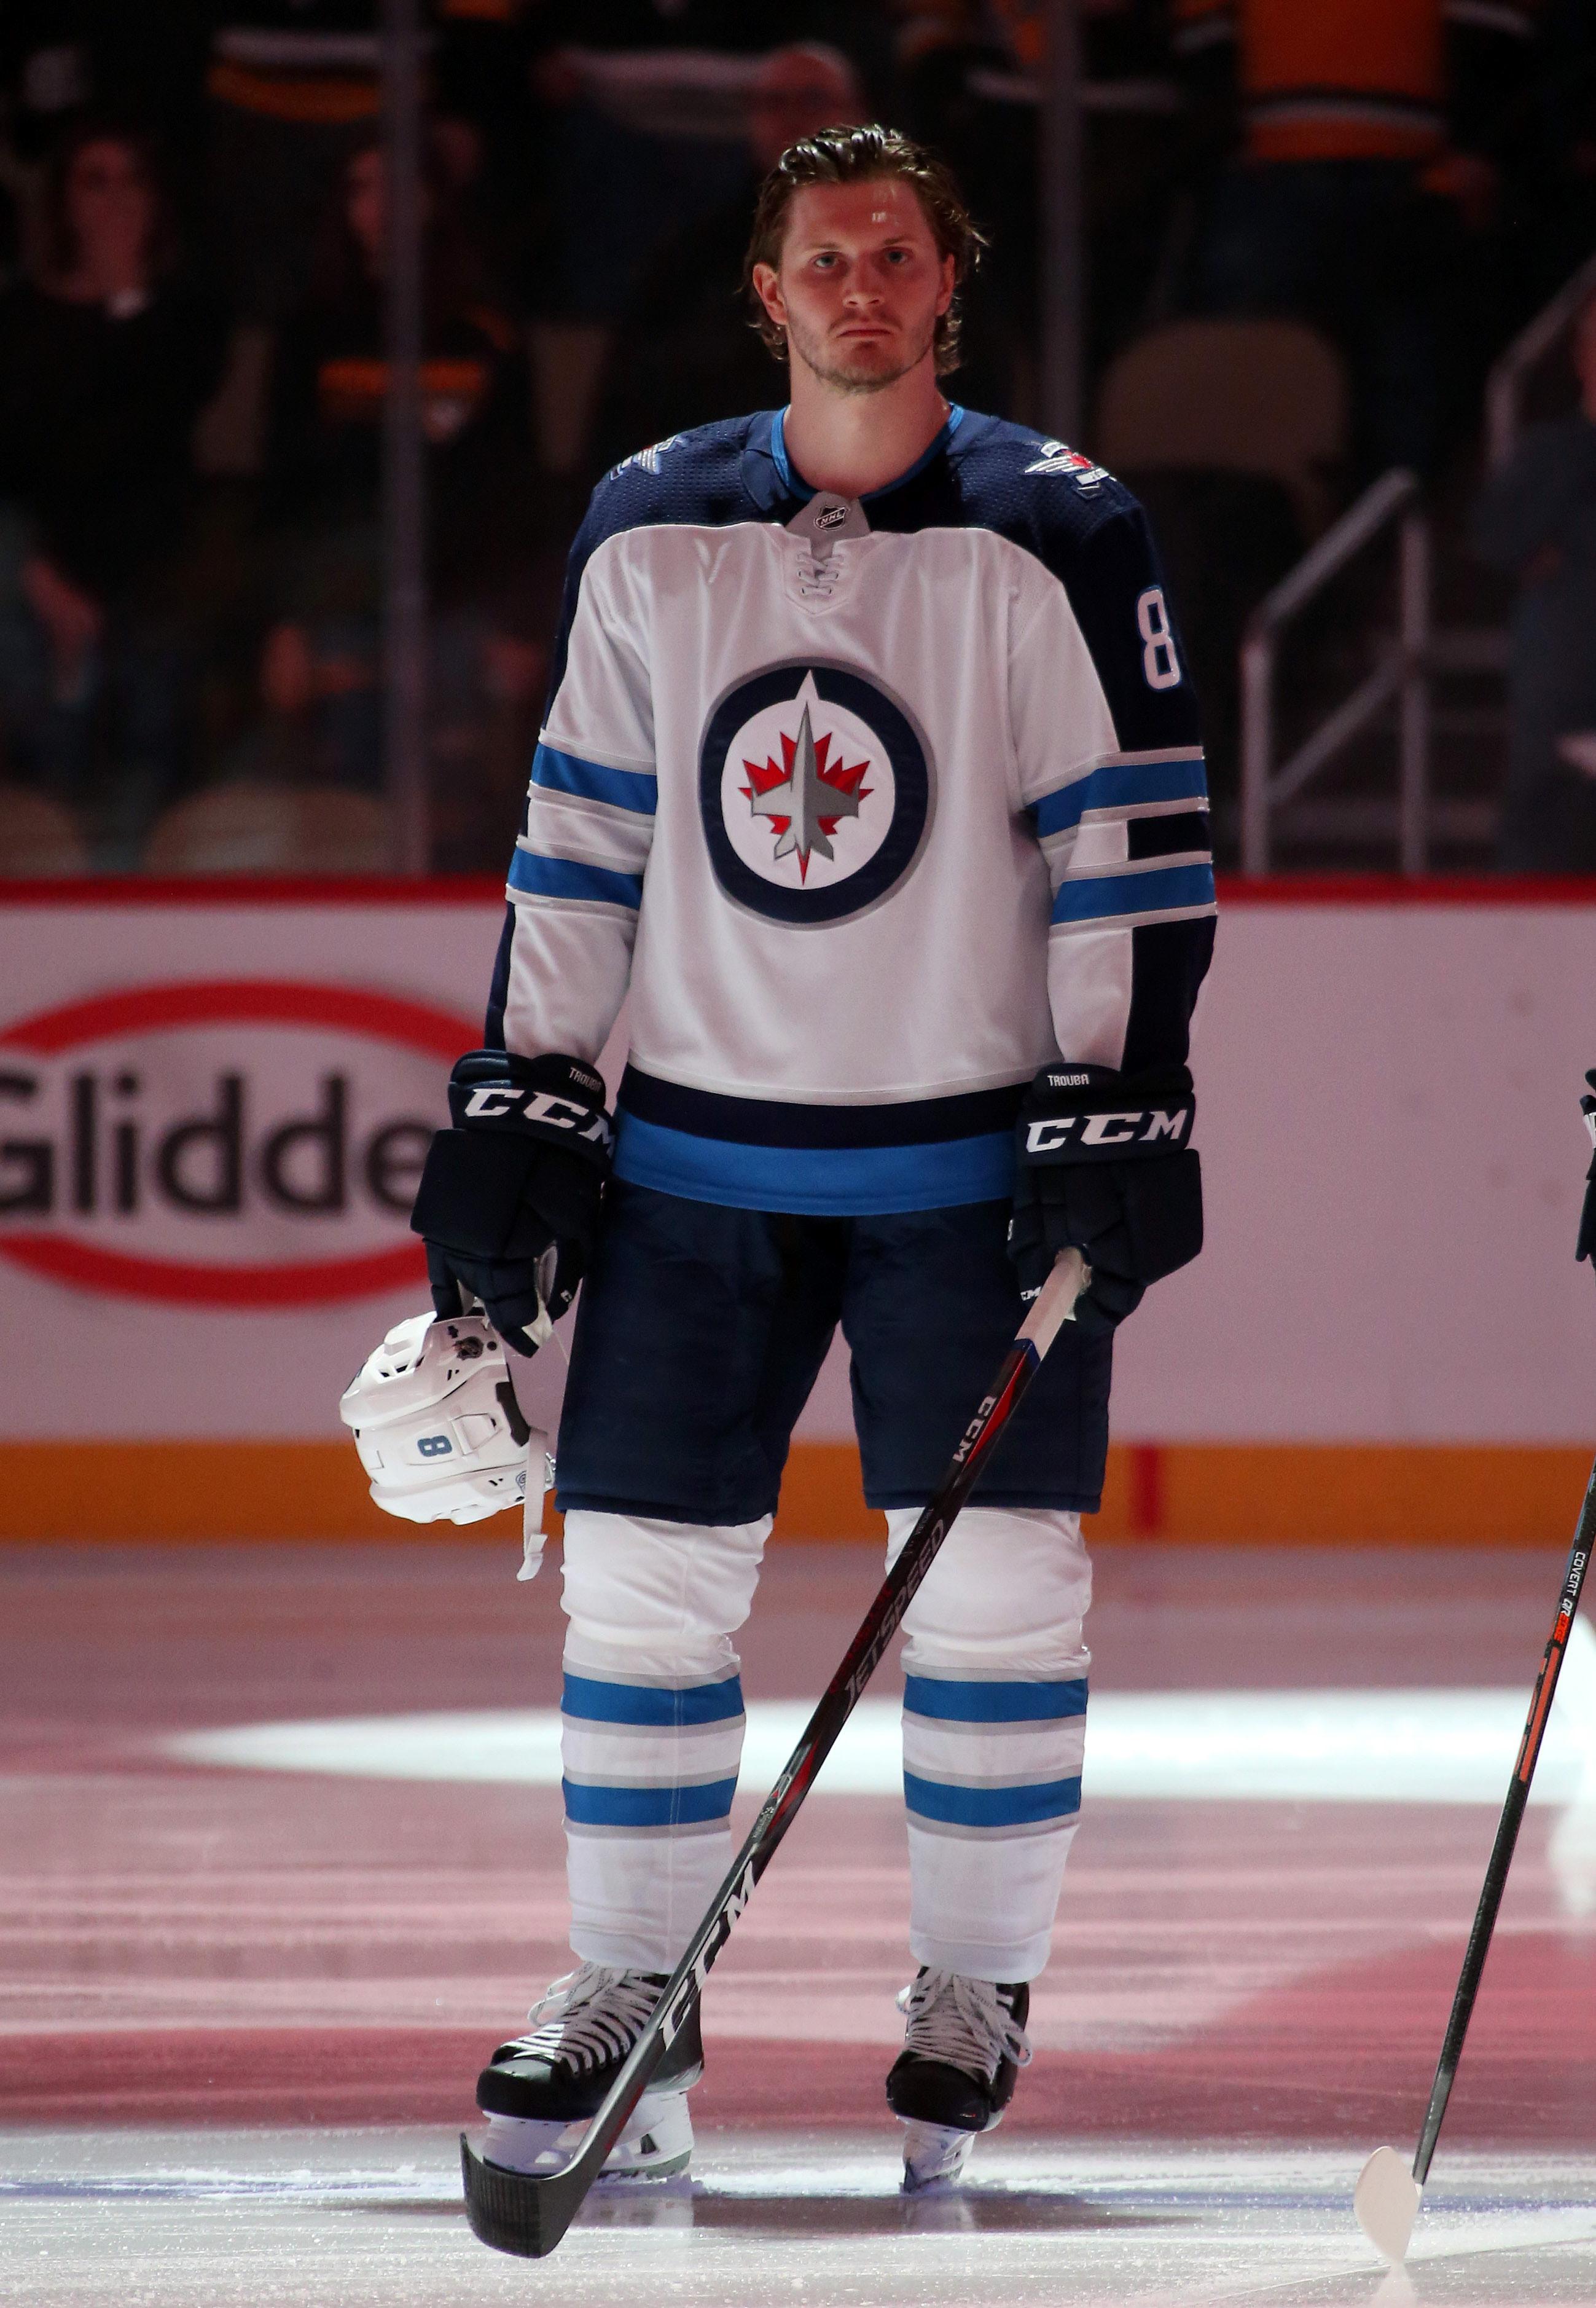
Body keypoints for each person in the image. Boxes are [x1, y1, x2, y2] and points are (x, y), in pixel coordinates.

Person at [409, 124, 1213, 2191]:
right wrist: (529, 1082)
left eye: (889, 254)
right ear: (761, 292)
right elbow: (578, 836)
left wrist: (1116, 1085)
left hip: (962, 1170)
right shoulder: (649, 518)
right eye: (816, 258)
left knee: (1000, 1587)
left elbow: (1117, 850)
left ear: (945, 279)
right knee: (643, 1585)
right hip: (694, 1166)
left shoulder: (1057, 525)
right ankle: (620, 1986)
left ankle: (972, 1981)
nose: (854, 285)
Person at [0, 117, 225, 852]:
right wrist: (36, 575)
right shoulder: (19, 320)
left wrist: (125, 295)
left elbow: (149, 427)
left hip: (152, 568)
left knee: (150, 720)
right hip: (38, 575)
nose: (116, 199)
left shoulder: (184, 318)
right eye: (95, 180)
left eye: (132, 180)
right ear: (63, 199)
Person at [1473, 288, 1596, 871]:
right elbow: (1500, 543)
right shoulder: (1549, 453)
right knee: (1538, 866)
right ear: (1579, 355)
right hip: (1561, 702)